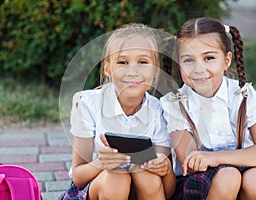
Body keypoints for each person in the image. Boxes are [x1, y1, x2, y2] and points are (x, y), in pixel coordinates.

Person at [160, 17, 256, 200]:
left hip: (242, 172)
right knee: (228, 176)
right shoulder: (174, 102)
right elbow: (191, 161)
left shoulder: (243, 95)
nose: (199, 69)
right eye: (188, 60)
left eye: (209, 58)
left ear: (226, 61)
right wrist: (253, 158)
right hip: (197, 182)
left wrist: (218, 158)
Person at [60, 23, 176, 200]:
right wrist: (101, 163)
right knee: (117, 176)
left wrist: (165, 167)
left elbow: (168, 191)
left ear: (155, 70)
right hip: (101, 189)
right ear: (108, 68)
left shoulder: (159, 110)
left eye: (143, 62)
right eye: (123, 62)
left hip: (142, 192)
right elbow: (78, 177)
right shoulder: (87, 104)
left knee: (147, 174)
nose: (132, 71)